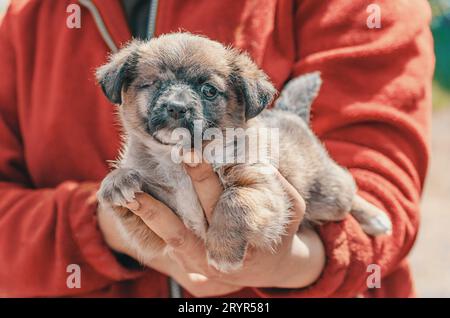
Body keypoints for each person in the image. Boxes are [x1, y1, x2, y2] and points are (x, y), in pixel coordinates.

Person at [0, 0, 434, 297]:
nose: (174, 103)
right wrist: (103, 225)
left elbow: (386, 185)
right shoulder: (29, 17)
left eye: (207, 91)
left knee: (336, 194)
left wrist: (291, 266)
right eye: (151, 86)